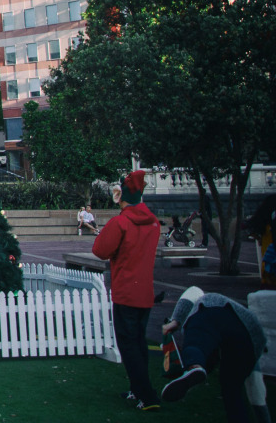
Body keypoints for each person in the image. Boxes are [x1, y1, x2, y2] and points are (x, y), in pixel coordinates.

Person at [93, 171, 161, 412]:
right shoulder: (154, 223)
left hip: (125, 290)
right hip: (145, 291)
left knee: (129, 345)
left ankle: (147, 394)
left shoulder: (120, 222)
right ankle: (138, 389)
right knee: (139, 342)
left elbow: (100, 250)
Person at [161, 286, 269, 421]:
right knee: (231, 389)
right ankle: (194, 367)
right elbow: (257, 392)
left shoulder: (201, 308)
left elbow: (194, 290)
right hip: (252, 335)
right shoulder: (233, 347)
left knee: (195, 345)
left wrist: (175, 321)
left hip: (213, 310)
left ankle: (194, 366)